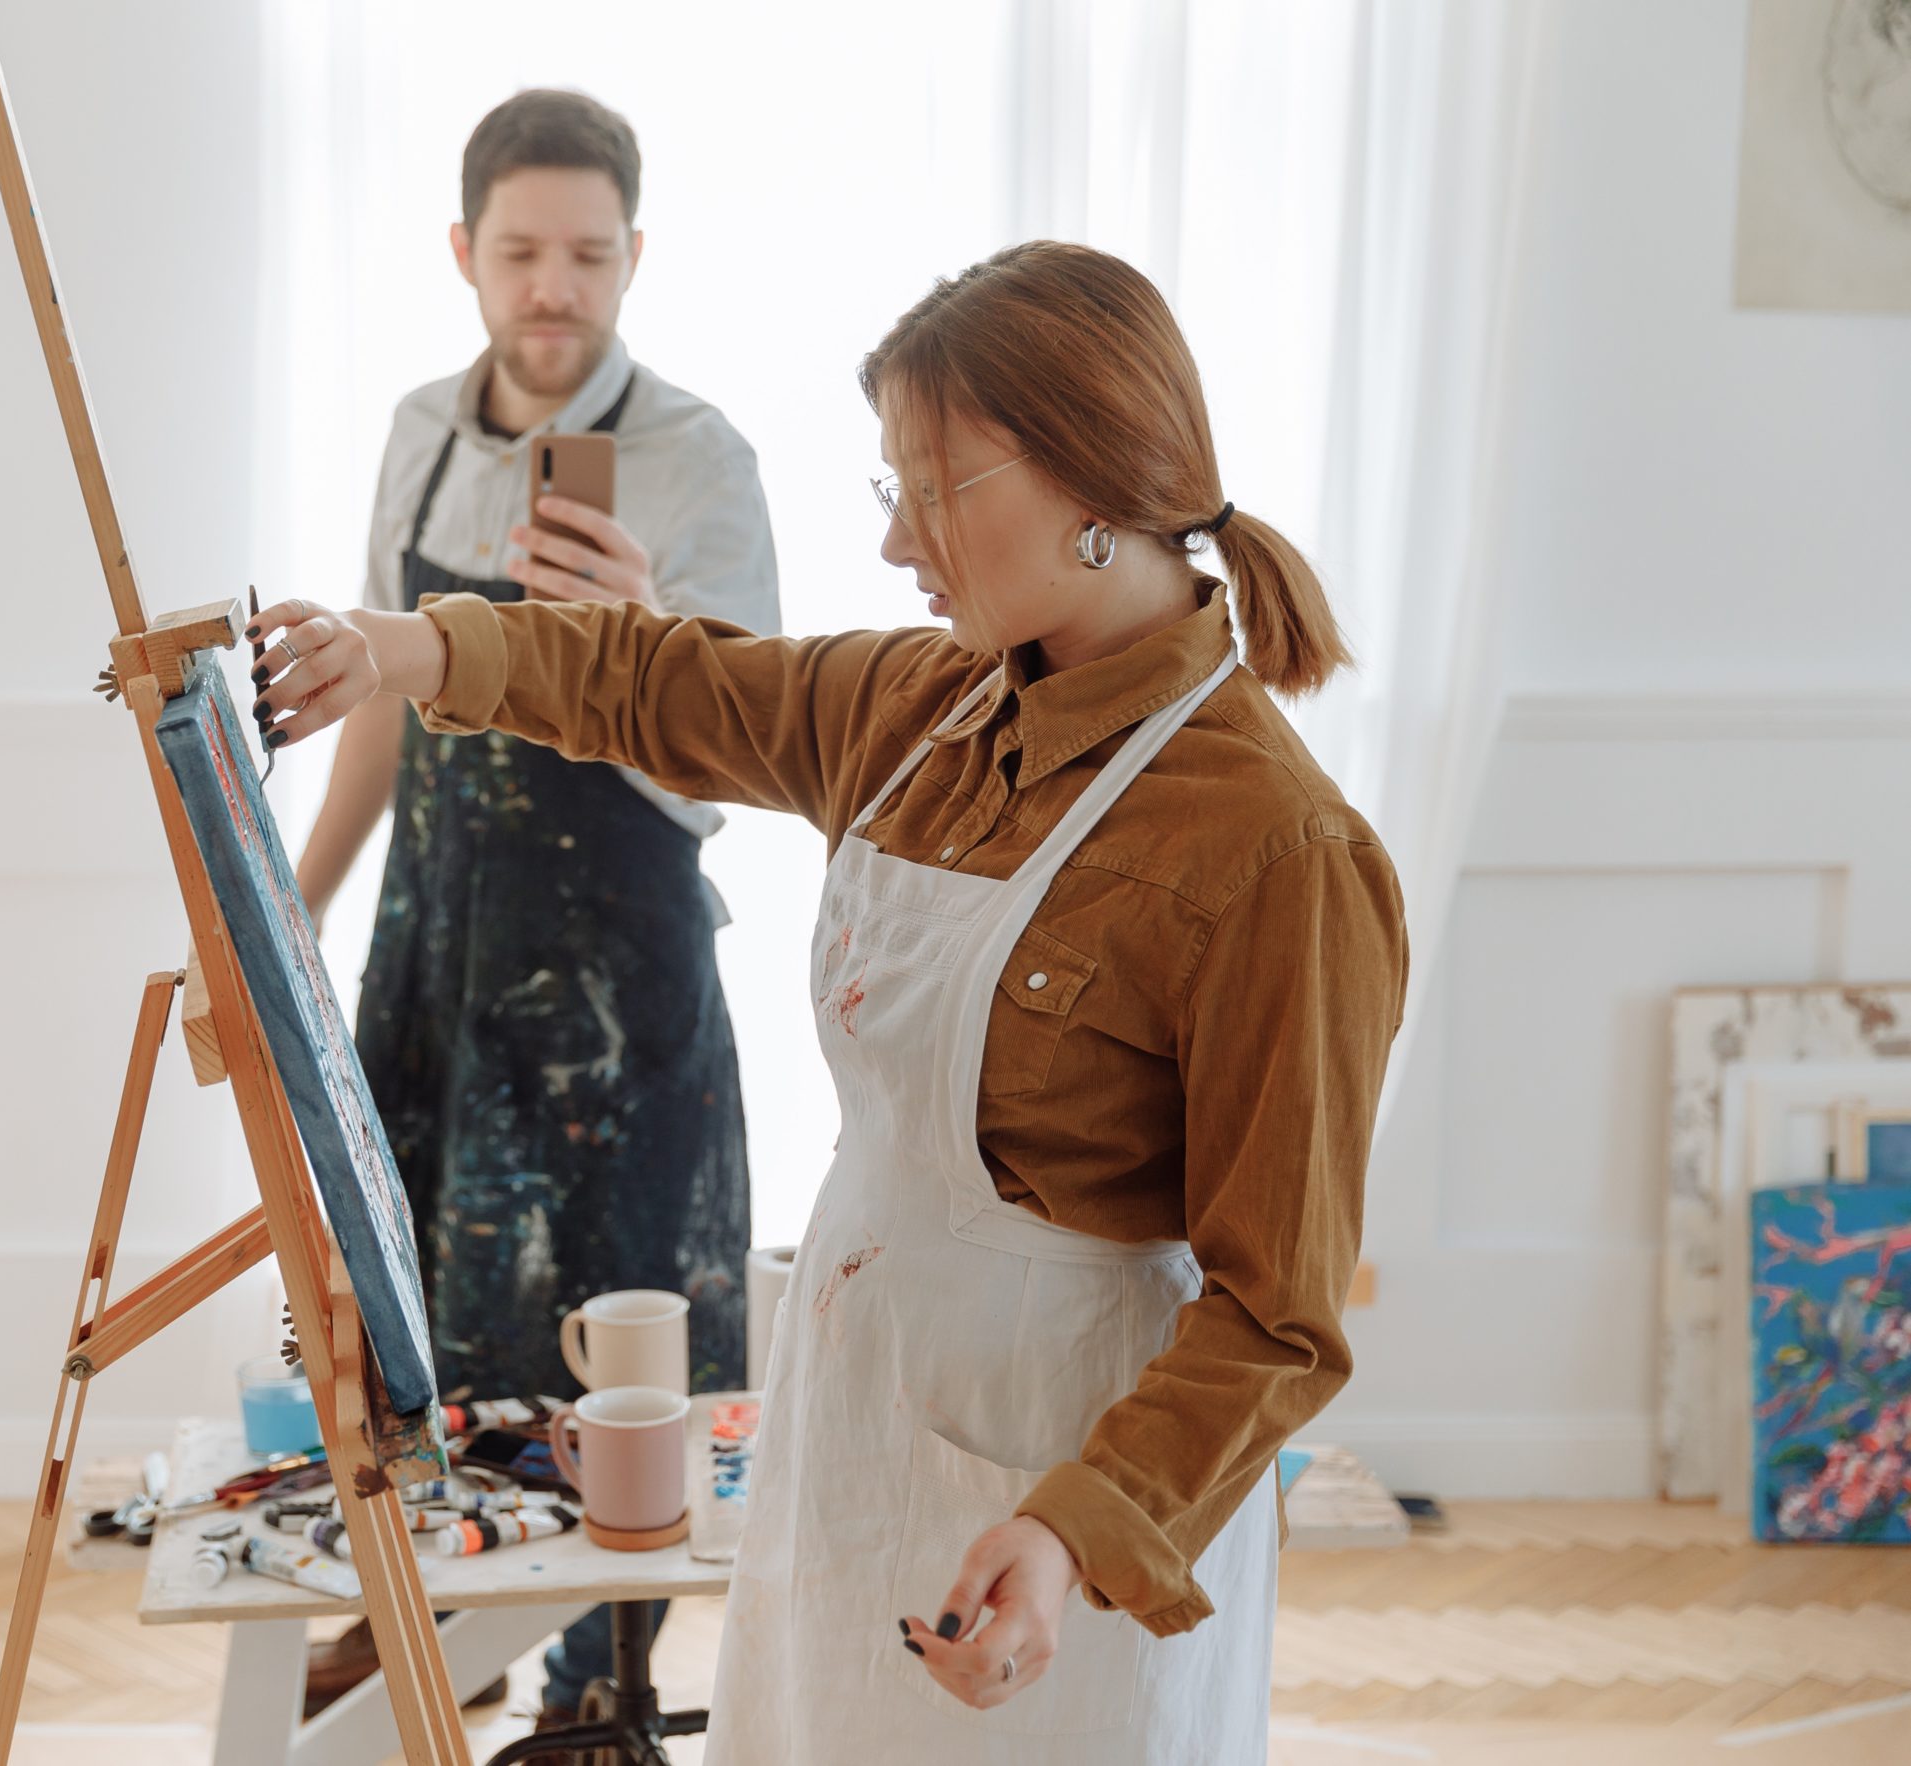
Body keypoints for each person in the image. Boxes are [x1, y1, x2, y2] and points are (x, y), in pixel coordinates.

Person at [244, 241, 1408, 1762]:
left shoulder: (1275, 851)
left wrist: (1073, 1532)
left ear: (1094, 489)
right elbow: (665, 683)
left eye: (931, 492)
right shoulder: (926, 709)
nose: (895, 547)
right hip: (851, 1413)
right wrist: (407, 647)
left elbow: (1278, 1318)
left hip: (1062, 1483)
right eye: (888, 491)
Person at [280, 89, 779, 1727]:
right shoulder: (419, 424)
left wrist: (637, 636)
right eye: (520, 252)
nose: (552, 287)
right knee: (426, 1317)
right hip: (436, 951)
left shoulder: (703, 459)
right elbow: (381, 693)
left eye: (585, 253)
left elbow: (731, 769)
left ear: (634, 256)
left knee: (622, 1334)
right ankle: (423, 1625)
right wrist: (299, 906)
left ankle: (596, 1682)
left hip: (616, 991)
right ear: (463, 255)